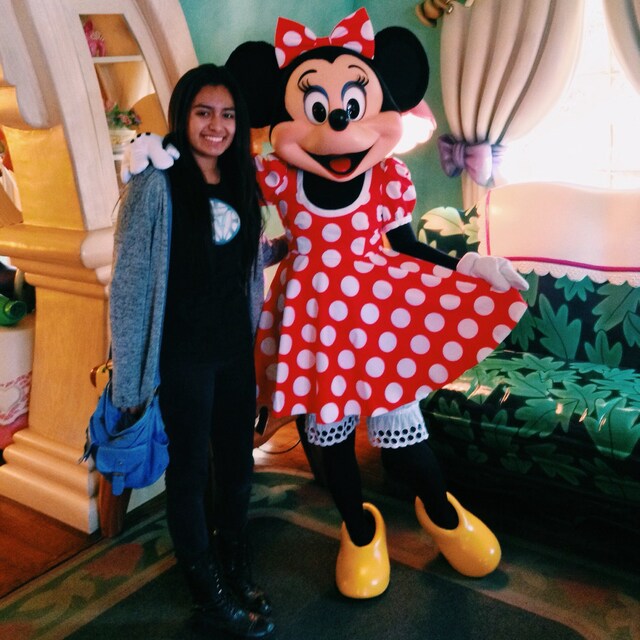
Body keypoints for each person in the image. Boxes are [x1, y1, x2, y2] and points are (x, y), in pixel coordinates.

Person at [109, 63, 280, 638]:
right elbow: (131, 282)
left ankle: (234, 565)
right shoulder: (156, 182)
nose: (216, 126)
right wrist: (129, 381)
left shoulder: (239, 177)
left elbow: (239, 255)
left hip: (233, 350)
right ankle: (208, 591)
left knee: (237, 466)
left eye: (227, 114)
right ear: (182, 115)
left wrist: (287, 249)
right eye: (204, 112)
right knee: (187, 474)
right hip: (181, 357)